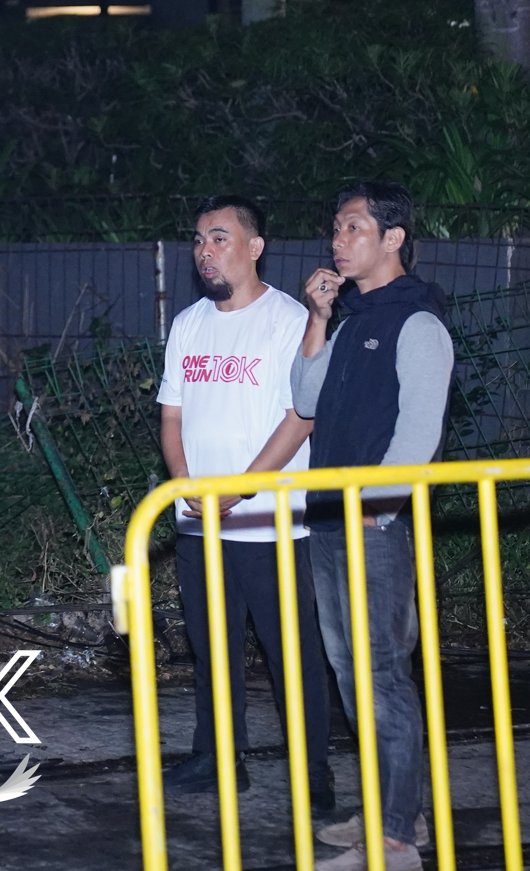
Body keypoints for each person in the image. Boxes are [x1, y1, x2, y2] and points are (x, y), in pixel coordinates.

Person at [157, 196, 334, 815]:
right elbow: (172, 415)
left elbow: (301, 417)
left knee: (294, 654)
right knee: (211, 649)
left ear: (254, 247)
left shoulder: (290, 320)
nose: (204, 251)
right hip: (197, 523)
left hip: (270, 524)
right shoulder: (188, 324)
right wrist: (185, 483)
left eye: (219, 238)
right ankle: (218, 759)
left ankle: (313, 772)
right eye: (198, 240)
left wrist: (242, 486)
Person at [294, 182, 452, 871]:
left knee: (381, 675)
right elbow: (303, 398)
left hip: (372, 525)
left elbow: (419, 434)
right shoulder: (351, 318)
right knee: (351, 673)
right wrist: (318, 316)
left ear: (393, 239)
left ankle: (395, 839)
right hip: (329, 520)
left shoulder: (417, 322)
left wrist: (375, 507)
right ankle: (395, 810)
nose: (338, 239)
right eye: (336, 227)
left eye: (353, 227)